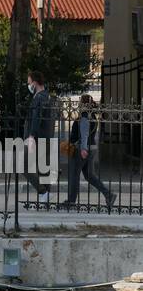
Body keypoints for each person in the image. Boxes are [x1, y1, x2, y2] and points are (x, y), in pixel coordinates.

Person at [60, 96, 115, 211]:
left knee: (74, 175)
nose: (79, 104)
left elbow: (84, 133)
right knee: (90, 176)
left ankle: (71, 201)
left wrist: (83, 148)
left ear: (83, 104)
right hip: (92, 148)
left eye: (81, 102)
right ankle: (108, 194)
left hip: (81, 149)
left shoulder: (85, 116)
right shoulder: (93, 116)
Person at [23, 70, 54, 200]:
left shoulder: (39, 98)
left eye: (29, 83)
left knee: (23, 165)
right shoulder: (48, 96)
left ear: (34, 83)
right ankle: (46, 195)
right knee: (43, 168)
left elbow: (36, 118)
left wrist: (31, 137)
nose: (29, 86)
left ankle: (43, 192)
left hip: (36, 138)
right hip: (46, 137)